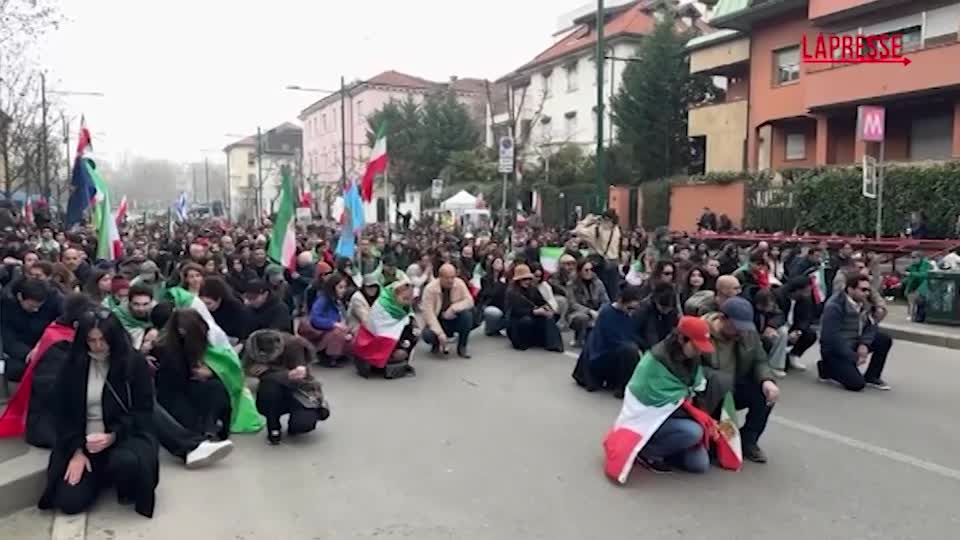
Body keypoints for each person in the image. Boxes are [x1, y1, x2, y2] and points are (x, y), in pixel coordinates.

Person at [38, 309, 159, 518]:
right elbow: (62, 412)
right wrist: (76, 450)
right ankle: (98, 476)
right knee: (69, 503)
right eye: (91, 340)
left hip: (123, 437)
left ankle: (120, 480)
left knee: (127, 462)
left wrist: (113, 435)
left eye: (103, 339)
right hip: (82, 440)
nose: (98, 346)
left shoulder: (133, 363)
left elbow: (142, 411)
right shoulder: (72, 365)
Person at [605, 316, 719, 479]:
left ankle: (666, 448)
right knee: (694, 432)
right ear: (681, 339)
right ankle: (647, 452)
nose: (699, 351)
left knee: (699, 464)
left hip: (675, 416)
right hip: (651, 417)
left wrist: (703, 416)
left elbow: (695, 389)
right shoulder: (655, 362)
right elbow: (651, 400)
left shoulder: (691, 358)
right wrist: (697, 417)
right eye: (696, 346)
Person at [702, 297, 780, 463]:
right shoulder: (702, 332)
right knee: (710, 455)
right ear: (723, 319)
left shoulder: (747, 334)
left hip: (735, 387)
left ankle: (749, 441)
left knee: (765, 395)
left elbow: (760, 360)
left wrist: (767, 380)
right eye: (736, 326)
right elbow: (692, 369)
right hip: (709, 392)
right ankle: (718, 438)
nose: (740, 331)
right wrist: (720, 380)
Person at [152, 309, 232, 441]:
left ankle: (209, 425)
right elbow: (169, 380)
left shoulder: (205, 340)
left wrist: (210, 373)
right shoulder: (166, 348)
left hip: (194, 385)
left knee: (216, 388)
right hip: (173, 392)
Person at [244, 329, 330, 445]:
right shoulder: (252, 345)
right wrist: (283, 374)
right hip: (273, 389)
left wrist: (270, 370)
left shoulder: (294, 344)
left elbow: (299, 377)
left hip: (299, 391)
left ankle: (308, 415)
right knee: (268, 388)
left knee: (302, 424)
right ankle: (273, 426)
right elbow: (248, 368)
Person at [818, 274, 892, 391]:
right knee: (856, 384)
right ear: (850, 289)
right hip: (835, 350)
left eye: (868, 290)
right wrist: (854, 357)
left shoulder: (866, 303)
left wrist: (864, 344)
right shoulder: (835, 305)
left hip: (855, 342)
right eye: (863, 290)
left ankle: (872, 376)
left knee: (884, 339)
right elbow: (831, 337)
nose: (867, 293)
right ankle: (826, 368)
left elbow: (872, 326)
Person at [572, 285, 643, 397]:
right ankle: (621, 387)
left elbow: (633, 334)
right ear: (620, 301)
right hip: (602, 354)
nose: (631, 312)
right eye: (629, 308)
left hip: (616, 352)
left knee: (632, 350)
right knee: (630, 350)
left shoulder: (629, 315)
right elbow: (611, 340)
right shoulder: (607, 313)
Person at [353, 279, 420, 379]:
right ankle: (387, 359)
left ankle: (398, 356)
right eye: (405, 299)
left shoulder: (404, 306)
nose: (408, 302)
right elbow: (377, 330)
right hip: (373, 342)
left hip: (393, 340)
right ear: (395, 295)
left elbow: (408, 318)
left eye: (410, 299)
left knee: (414, 332)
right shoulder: (382, 307)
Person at [1, 278, 61, 382]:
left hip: (47, 348)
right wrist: (27, 354)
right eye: (31, 306)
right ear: (20, 297)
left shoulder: (54, 299)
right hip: (20, 351)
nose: (36, 310)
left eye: (39, 307)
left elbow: (61, 322)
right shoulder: (6, 305)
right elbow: (8, 337)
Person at [503, 264, 563, 352]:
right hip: (517, 324)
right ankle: (523, 342)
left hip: (533, 317)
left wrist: (546, 308)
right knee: (527, 320)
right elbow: (515, 312)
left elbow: (541, 301)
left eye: (529, 279)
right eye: (524, 279)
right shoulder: (511, 292)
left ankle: (553, 344)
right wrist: (534, 312)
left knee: (551, 316)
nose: (527, 281)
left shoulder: (532, 289)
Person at [421, 263, 475, 358]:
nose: (450, 281)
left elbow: (470, 301)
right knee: (428, 335)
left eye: (452, 277)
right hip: (437, 320)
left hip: (453, 318)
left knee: (467, 316)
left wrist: (453, 308)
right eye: (447, 278)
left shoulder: (459, 283)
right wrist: (440, 333)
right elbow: (428, 314)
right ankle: (436, 343)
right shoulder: (429, 289)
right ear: (440, 277)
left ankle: (462, 346)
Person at [299, 274, 352, 366]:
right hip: (322, 332)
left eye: (344, 287)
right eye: (340, 287)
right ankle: (327, 356)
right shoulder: (323, 299)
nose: (343, 290)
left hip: (333, 330)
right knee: (338, 332)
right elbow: (315, 318)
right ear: (332, 287)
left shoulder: (338, 301)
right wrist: (333, 324)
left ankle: (338, 354)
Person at [774, 277, 816, 371]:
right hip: (779, 328)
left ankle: (794, 355)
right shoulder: (778, 296)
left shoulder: (805, 300)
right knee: (782, 333)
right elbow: (776, 316)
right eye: (806, 291)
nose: (808, 294)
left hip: (793, 328)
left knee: (810, 334)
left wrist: (799, 331)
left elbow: (806, 318)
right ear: (797, 290)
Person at [567, 258, 610, 348]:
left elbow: (605, 300)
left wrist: (600, 311)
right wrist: (589, 311)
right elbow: (572, 304)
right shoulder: (572, 284)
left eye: (591, 270)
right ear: (579, 271)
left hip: (597, 311)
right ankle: (579, 338)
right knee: (582, 318)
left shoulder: (598, 283)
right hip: (578, 313)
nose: (589, 272)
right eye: (586, 270)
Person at [198, 277, 253, 344]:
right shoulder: (200, 309)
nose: (205, 307)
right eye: (202, 303)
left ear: (219, 299)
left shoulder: (237, 310)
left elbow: (245, 335)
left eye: (208, 303)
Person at [632, 283, 680, 353]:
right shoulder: (643, 310)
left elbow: (674, 328)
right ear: (656, 300)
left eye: (669, 308)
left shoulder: (672, 311)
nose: (666, 311)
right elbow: (637, 332)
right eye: (663, 308)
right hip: (644, 344)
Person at [478, 257, 508, 336]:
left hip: (502, 304)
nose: (499, 265)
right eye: (497, 262)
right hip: (490, 304)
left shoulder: (506, 279)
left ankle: (499, 328)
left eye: (501, 263)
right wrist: (500, 283)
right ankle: (490, 328)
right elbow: (490, 293)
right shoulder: (485, 279)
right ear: (492, 265)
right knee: (492, 312)